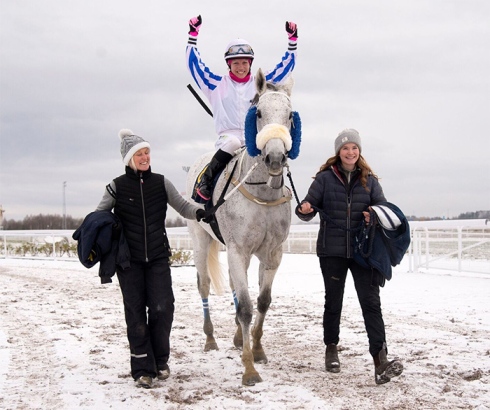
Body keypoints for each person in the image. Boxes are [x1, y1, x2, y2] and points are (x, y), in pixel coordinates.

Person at [96, 129, 209, 389]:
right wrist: (100, 238)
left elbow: (182, 206)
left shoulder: (161, 183)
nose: (145, 157)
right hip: (129, 261)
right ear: (129, 159)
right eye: (139, 154)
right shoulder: (117, 186)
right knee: (135, 314)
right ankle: (142, 369)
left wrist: (201, 213)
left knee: (162, 308)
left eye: (147, 152)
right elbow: (99, 216)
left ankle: (160, 360)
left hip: (158, 256)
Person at [295, 129, 403, 385]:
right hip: (331, 251)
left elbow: (382, 208)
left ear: (359, 151)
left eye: (354, 148)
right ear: (338, 152)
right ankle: (331, 348)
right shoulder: (323, 179)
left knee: (371, 303)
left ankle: (380, 361)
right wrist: (304, 210)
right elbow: (308, 208)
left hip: (363, 251)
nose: (350, 152)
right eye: (345, 148)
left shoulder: (370, 180)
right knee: (334, 302)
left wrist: (373, 215)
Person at [186, 15, 298, 200]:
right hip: (227, 138)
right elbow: (194, 65)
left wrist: (292, 42)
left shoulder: (260, 83)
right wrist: (193, 36)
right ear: (229, 64)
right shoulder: (215, 84)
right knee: (233, 143)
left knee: (275, 147)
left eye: (245, 62)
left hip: (253, 137)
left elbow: (285, 69)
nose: (240, 67)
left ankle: (280, 192)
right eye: (236, 63)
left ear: (250, 64)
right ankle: (205, 181)